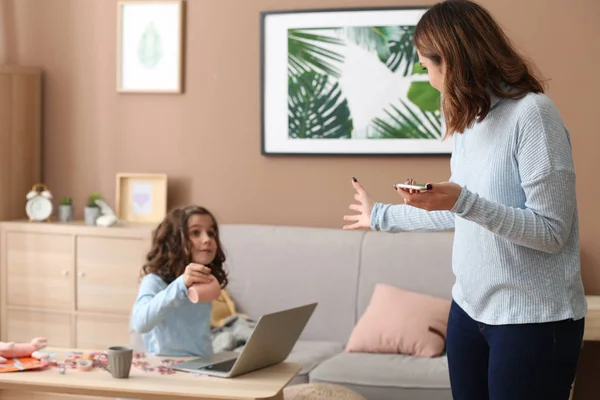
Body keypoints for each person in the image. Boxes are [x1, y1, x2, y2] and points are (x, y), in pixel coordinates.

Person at [343, 1, 587, 399]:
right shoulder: (469, 120)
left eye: (427, 66)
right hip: (469, 312)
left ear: (454, 60)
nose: (429, 78)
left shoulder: (533, 115)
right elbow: (461, 211)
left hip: (533, 321)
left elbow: (552, 232)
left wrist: (464, 202)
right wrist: (381, 216)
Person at [130, 205, 229, 357]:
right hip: (166, 364)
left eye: (211, 233)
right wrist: (181, 285)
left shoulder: (203, 282)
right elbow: (139, 324)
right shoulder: (154, 281)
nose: (207, 239)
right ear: (174, 241)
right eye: (195, 233)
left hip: (201, 362)